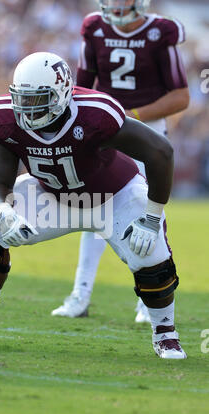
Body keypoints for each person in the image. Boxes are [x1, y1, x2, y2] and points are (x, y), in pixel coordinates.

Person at [0, 51, 186, 359]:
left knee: (150, 253)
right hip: (54, 196)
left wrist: (152, 217)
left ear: (61, 93)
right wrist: (5, 213)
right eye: (23, 98)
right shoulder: (4, 117)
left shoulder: (95, 112)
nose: (27, 108)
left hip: (114, 196)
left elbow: (161, 152)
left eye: (38, 99)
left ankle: (165, 333)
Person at [51, 0, 189, 321]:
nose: (114, 5)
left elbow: (181, 96)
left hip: (145, 132)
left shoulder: (160, 31)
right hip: (104, 130)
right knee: (95, 205)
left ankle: (150, 298)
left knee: (147, 211)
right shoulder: (94, 28)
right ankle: (80, 294)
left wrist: (129, 117)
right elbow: (80, 88)